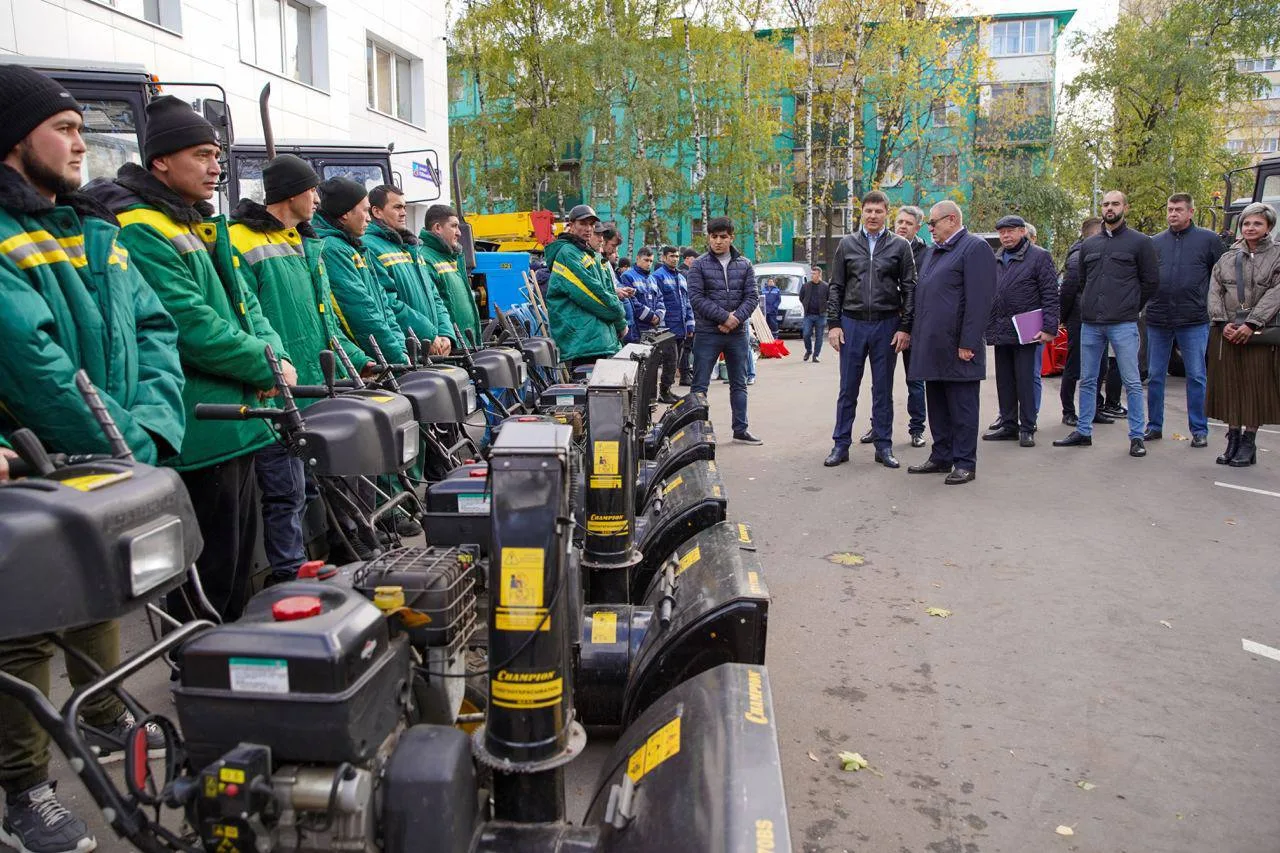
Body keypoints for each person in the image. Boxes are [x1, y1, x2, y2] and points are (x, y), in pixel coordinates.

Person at [0, 66, 183, 853]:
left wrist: (149, 432)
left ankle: (104, 714)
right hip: (31, 459)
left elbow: (156, 331)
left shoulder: (92, 229)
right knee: (22, 625)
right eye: (65, 129)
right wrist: (126, 446)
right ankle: (24, 789)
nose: (82, 145)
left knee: (101, 585)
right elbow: (33, 361)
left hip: (105, 450)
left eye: (82, 129)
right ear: (15, 139)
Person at [86, 95, 292, 622]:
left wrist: (272, 357)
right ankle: (196, 663)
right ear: (160, 161)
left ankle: (231, 657)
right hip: (197, 425)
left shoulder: (193, 221)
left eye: (217, 155)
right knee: (205, 577)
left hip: (236, 419)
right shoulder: (141, 227)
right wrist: (266, 365)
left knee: (236, 570)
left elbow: (245, 305)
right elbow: (190, 325)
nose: (215, 166)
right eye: (201, 155)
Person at [228, 155, 379, 582]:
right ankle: (288, 575)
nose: (317, 198)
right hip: (278, 389)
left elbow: (325, 319)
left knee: (312, 484)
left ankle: (322, 556)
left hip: (314, 384)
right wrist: (266, 368)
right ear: (291, 193)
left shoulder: (306, 243)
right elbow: (246, 315)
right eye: (311, 190)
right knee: (285, 490)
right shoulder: (240, 241)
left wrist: (359, 360)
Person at [1054, 190, 1159, 457]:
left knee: (1131, 382)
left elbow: (1150, 281)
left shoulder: (1140, 242)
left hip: (1123, 323)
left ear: (1125, 207)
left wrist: (1131, 306)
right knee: (1088, 380)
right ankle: (1083, 431)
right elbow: (1083, 281)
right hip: (1091, 323)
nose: (1109, 208)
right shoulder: (1090, 245)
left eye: (1115, 204)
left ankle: (1137, 436)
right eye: (1105, 204)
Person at [823, 191, 916, 469]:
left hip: (886, 325)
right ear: (861, 212)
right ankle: (840, 445)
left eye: (878, 211)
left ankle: (883, 446)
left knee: (883, 390)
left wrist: (905, 327)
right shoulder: (847, 244)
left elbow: (910, 288)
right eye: (868, 211)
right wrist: (834, 324)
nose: (873, 216)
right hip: (852, 324)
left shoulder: (900, 246)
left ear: (887, 213)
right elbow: (836, 286)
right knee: (847, 388)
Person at [905, 200, 996, 485]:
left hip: (959, 347)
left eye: (933, 223)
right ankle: (941, 455)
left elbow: (980, 301)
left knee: (962, 407)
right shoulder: (935, 252)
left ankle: (965, 462)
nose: (930, 228)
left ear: (952, 220)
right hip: (933, 346)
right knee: (938, 406)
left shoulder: (975, 248)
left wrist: (968, 341)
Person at [1145, 193, 1224, 447]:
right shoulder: (1154, 242)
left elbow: (1220, 277)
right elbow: (1146, 277)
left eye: (1178, 209)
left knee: (1197, 376)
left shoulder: (1209, 240)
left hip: (1194, 319)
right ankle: (1154, 426)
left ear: (1191, 212)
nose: (1173, 214)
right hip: (1158, 318)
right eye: (1170, 209)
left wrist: (1215, 309)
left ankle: (1199, 429)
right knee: (1155, 376)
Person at [1207, 202, 1280, 467]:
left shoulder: (1277, 255)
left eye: (1257, 223)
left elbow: (1276, 294)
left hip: (1259, 334)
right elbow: (1215, 290)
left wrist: (1251, 323)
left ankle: (1249, 442)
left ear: (1268, 227)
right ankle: (1233, 439)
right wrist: (1221, 321)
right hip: (1228, 333)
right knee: (1231, 387)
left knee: (1254, 388)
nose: (1250, 227)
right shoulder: (1227, 257)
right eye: (1246, 223)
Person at [311, 178, 408, 363]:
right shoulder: (333, 249)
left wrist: (400, 348)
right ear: (345, 213)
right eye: (365, 210)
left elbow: (383, 305)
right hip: (367, 362)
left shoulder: (356, 247)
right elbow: (360, 311)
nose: (369, 218)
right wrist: (396, 357)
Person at [983, 215, 1059, 447]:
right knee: (1004, 381)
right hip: (1000, 328)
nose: (1005, 236)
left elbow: (1050, 293)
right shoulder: (996, 258)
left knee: (1025, 380)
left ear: (1023, 231)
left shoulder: (1039, 256)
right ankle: (1008, 425)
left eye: (1011, 231)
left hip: (1027, 329)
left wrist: (1049, 327)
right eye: (1002, 232)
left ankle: (1027, 427)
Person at [686, 216, 762, 444]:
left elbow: (752, 297)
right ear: (709, 238)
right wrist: (724, 317)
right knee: (699, 386)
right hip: (708, 333)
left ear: (731, 238)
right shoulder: (699, 265)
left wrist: (735, 319)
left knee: (739, 383)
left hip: (737, 334)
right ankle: (696, 433)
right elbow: (696, 298)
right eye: (714, 237)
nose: (718, 241)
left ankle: (741, 429)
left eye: (723, 237)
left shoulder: (745, 265)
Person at [365, 186, 455, 355]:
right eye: (397, 207)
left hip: (430, 346)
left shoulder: (410, 248)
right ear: (377, 212)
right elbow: (388, 302)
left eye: (404, 207)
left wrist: (445, 333)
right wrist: (427, 334)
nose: (404, 213)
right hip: (407, 349)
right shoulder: (370, 247)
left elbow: (434, 296)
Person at [544, 204, 627, 369]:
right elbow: (594, 295)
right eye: (583, 223)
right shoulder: (568, 254)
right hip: (584, 342)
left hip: (595, 338)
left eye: (591, 224)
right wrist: (620, 318)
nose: (588, 229)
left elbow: (607, 290)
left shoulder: (587, 253)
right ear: (571, 225)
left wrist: (619, 323)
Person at [1058, 217, 1104, 426]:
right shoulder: (1079, 255)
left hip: (1099, 317)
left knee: (1099, 366)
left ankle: (1094, 409)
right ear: (1094, 234)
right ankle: (1068, 410)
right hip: (1080, 317)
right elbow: (1068, 290)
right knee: (1075, 365)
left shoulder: (1099, 252)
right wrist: (1063, 317)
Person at [417, 204, 482, 349]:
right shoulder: (426, 260)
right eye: (454, 226)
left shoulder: (450, 257)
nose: (459, 233)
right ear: (437, 228)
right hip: (451, 347)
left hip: (466, 345)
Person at [894, 205, 928, 445]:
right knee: (881, 381)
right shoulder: (883, 247)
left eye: (908, 223)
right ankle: (878, 426)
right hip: (886, 321)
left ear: (917, 227)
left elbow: (921, 291)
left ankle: (917, 429)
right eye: (900, 222)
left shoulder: (927, 254)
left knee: (915, 380)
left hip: (914, 325)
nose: (902, 226)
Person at [654, 245, 696, 385]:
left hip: (681, 326)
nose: (675, 259)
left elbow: (687, 302)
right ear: (664, 257)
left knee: (675, 360)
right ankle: (665, 390)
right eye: (671, 256)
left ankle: (667, 389)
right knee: (670, 360)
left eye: (677, 256)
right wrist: (660, 326)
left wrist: (690, 324)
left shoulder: (681, 277)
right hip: (667, 327)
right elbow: (656, 302)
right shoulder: (658, 276)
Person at [799, 264, 829, 363]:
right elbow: (801, 297)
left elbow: (829, 298)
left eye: (814, 274)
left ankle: (816, 355)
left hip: (821, 315)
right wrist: (806, 305)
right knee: (806, 334)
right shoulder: (806, 286)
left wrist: (825, 307)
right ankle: (808, 351)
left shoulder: (825, 286)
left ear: (819, 275)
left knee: (819, 337)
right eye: (811, 273)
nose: (812, 275)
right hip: (809, 315)